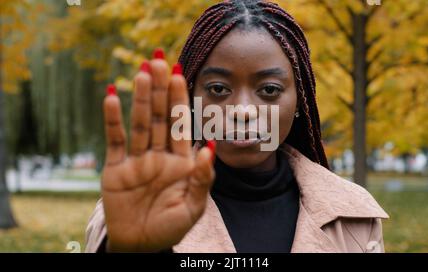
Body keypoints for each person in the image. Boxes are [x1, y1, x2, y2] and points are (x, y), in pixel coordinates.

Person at [85, 0, 388, 253]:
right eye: (218, 89)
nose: (242, 111)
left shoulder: (353, 215)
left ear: (300, 102)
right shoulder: (133, 211)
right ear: (191, 96)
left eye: (269, 90)